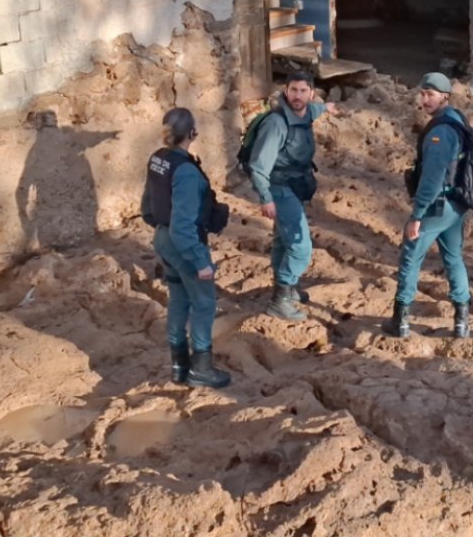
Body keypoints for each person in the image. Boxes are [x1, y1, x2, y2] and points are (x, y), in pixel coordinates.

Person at [141, 107, 231, 389]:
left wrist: (162, 230)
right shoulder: (187, 172)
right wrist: (200, 260)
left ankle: (179, 366)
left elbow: (147, 206)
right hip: (184, 243)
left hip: (163, 238)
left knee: (179, 298)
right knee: (204, 304)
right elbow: (183, 226)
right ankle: (201, 369)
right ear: (193, 133)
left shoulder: (158, 159)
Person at [248, 72, 341, 320]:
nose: (297, 96)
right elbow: (258, 166)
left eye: (303, 91)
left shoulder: (307, 111)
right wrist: (266, 198)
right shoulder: (276, 123)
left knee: (282, 241)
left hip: (295, 184)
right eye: (293, 90)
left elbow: (316, 110)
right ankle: (280, 300)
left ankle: (288, 291)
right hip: (278, 187)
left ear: (310, 94)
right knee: (300, 246)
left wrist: (327, 107)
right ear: (285, 91)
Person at [387, 73, 471, 339]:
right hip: (457, 203)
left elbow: (432, 177)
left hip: (437, 204)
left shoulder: (440, 132)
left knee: (411, 255)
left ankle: (400, 320)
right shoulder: (457, 119)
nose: (424, 99)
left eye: (430, 94)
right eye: (422, 94)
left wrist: (417, 215)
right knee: (453, 257)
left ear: (444, 96)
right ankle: (461, 321)